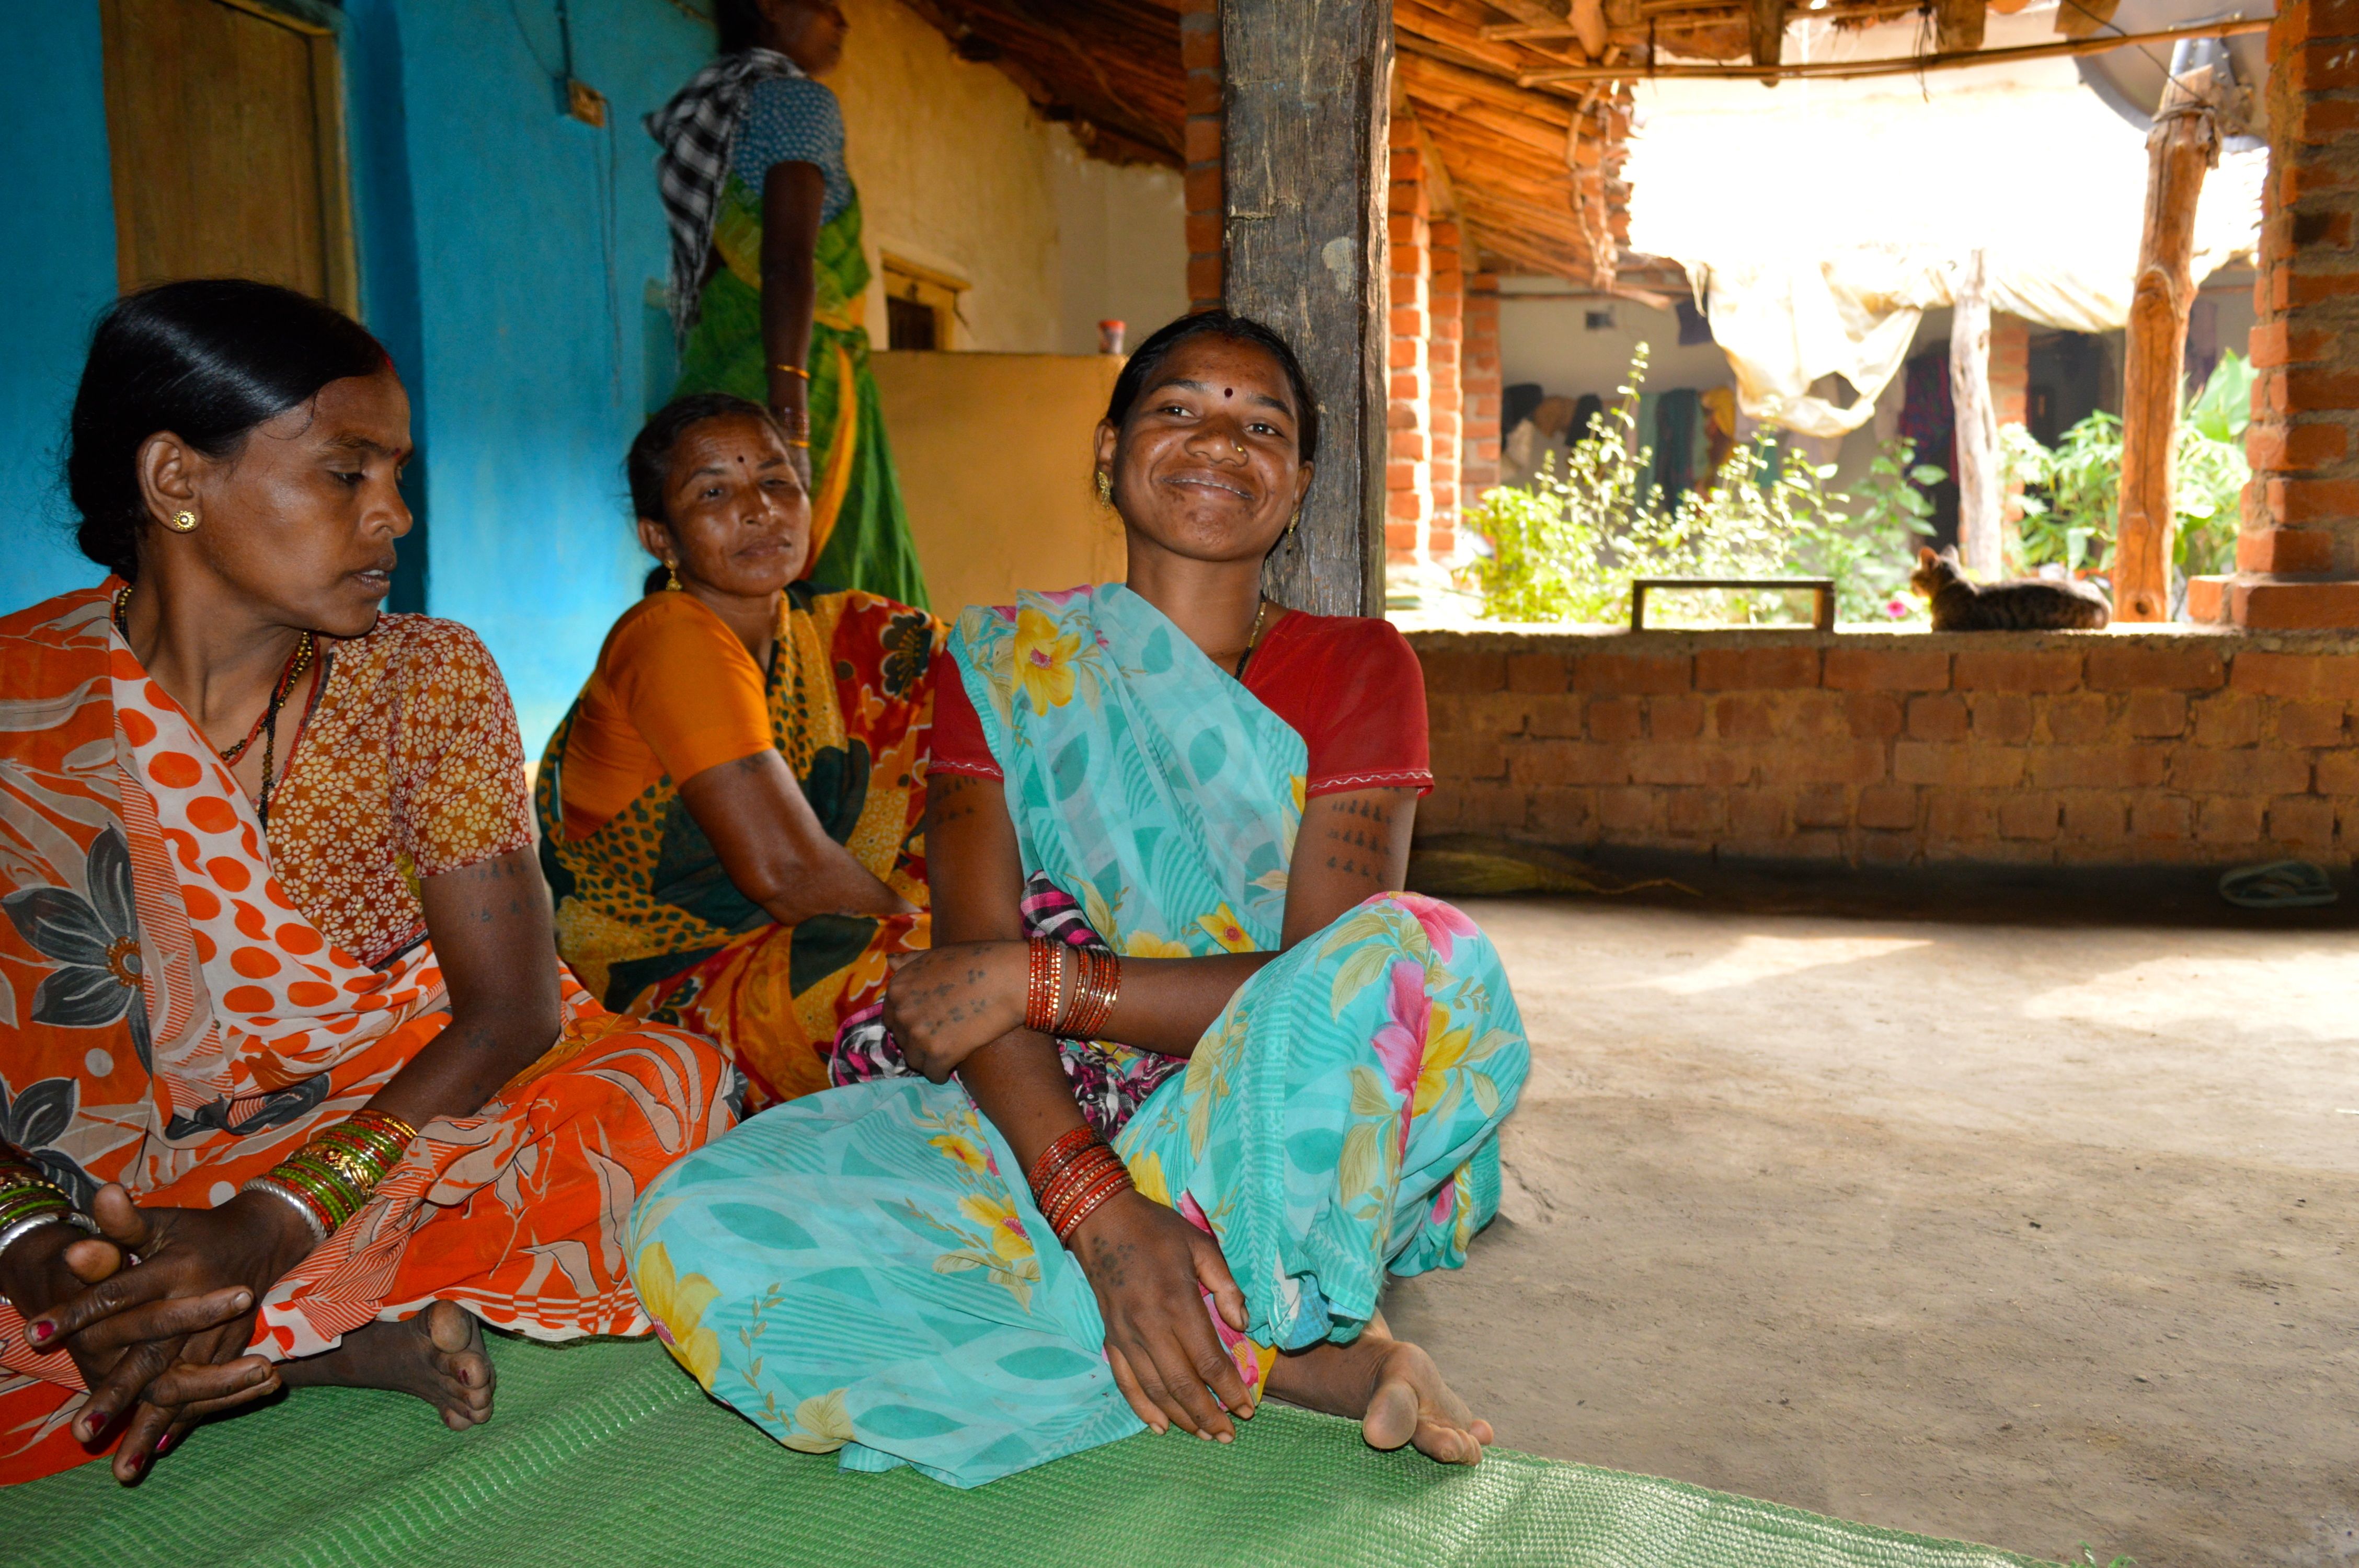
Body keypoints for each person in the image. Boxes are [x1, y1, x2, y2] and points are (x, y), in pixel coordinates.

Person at [628, 312, 1528, 1486]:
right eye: (1178, 409)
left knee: (1418, 954)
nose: (1220, 442)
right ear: (1108, 453)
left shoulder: (1360, 666)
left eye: (1263, 425)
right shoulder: (1002, 658)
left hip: (1270, 1126)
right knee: (697, 1223)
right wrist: (1099, 1217)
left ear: (1299, 482)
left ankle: (1199, 1304)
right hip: (1046, 1118)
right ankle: (1296, 1352)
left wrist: (1050, 979)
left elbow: (1318, 988)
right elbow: (966, 988)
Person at [0, 280, 735, 1486]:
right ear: (176, 479)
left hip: (381, 1114)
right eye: (346, 473)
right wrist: (31, 1244)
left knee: (661, 1086)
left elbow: (510, 1011)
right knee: (74, 1273)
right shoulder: (21, 691)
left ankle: (225, 1319)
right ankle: (272, 1334)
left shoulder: (423, 677)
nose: (393, 513)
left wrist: (274, 1215)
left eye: (397, 473)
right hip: (98, 1168)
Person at [535, 393, 938, 1112]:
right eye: (713, 491)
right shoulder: (668, 634)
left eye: (777, 481)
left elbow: (991, 693)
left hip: (813, 936)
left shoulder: (833, 632)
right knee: (965, 989)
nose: (758, 509)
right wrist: (948, 947)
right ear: (660, 537)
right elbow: (784, 871)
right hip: (675, 990)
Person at [646, 0, 927, 607]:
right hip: (793, 366)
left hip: (726, 353)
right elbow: (789, 261)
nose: (843, 22)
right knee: (816, 573)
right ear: (771, 7)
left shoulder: (718, 104)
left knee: (716, 564)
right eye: (827, 5)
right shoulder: (798, 102)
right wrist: (792, 415)